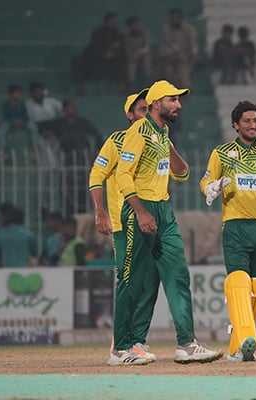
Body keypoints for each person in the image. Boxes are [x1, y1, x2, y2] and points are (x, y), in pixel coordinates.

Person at [112, 80, 223, 365]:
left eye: (179, 100)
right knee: (131, 281)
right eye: (173, 100)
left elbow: (182, 174)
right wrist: (140, 212)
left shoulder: (163, 133)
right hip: (141, 208)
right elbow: (123, 175)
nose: (179, 105)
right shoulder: (138, 131)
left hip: (164, 209)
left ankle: (186, 343)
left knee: (179, 276)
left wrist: (167, 143)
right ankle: (121, 349)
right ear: (156, 103)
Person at [200, 100, 256, 362]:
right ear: (236, 125)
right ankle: (249, 336)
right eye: (246, 121)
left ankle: (237, 347)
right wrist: (210, 188)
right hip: (235, 225)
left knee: (255, 286)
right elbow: (205, 180)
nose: (252, 125)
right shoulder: (222, 152)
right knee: (238, 282)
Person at [89, 88, 167, 361]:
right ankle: (119, 345)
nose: (147, 113)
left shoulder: (158, 139)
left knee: (150, 281)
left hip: (151, 221)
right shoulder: (117, 140)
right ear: (130, 115)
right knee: (129, 280)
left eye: (149, 108)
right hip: (126, 223)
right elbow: (96, 174)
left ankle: (137, 341)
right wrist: (100, 213)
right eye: (142, 110)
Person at [72, 12, 128, 95]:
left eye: (116, 21)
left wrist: (113, 54)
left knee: (122, 62)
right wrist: (105, 53)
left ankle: (122, 88)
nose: (115, 23)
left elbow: (122, 50)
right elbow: (94, 47)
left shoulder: (119, 35)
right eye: (113, 21)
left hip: (112, 63)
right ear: (107, 22)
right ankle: (79, 87)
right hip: (95, 61)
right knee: (77, 59)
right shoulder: (98, 32)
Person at [158, 8, 198, 88]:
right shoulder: (165, 29)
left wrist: (192, 53)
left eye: (177, 17)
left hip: (185, 55)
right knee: (166, 53)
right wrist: (179, 53)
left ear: (181, 18)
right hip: (170, 55)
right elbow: (170, 43)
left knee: (184, 67)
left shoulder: (189, 29)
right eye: (173, 18)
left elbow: (193, 44)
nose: (175, 20)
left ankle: (184, 86)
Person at [0, 203, 37, 268]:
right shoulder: (28, 235)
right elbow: (35, 253)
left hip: (6, 271)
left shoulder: (0, 234)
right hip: (24, 271)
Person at [124, 16, 152, 86]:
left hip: (143, 55)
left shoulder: (145, 33)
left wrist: (140, 52)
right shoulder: (126, 35)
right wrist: (133, 55)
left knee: (147, 59)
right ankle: (131, 83)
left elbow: (147, 47)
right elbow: (126, 49)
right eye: (135, 25)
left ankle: (149, 80)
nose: (137, 26)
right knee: (131, 62)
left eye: (139, 24)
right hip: (132, 56)